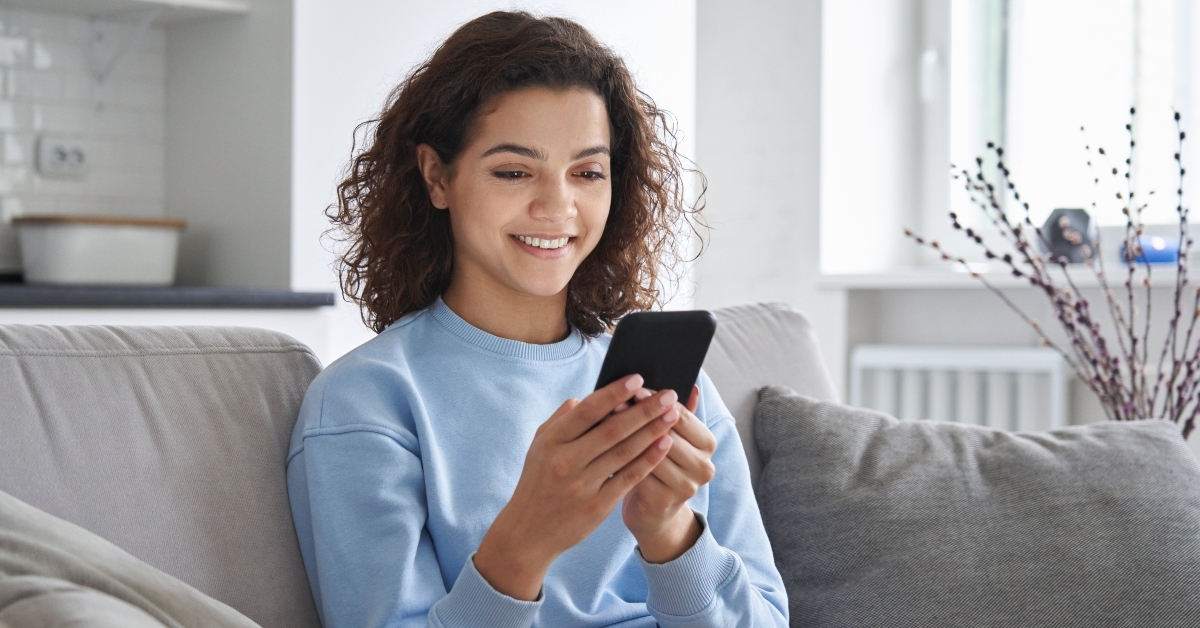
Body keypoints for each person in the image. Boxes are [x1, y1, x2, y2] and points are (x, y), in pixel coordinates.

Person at [285, 10, 788, 628]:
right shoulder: (365, 403)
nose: (557, 206)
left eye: (588, 173)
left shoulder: (675, 397)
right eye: (514, 172)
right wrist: (525, 540)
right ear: (437, 176)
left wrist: (670, 535)